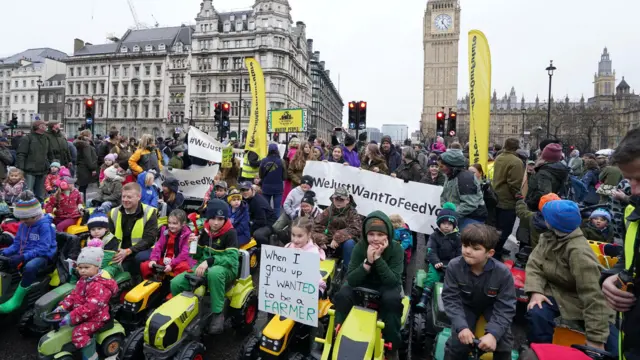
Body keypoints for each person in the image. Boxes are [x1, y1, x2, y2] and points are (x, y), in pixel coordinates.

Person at [525, 200, 617, 354]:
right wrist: (536, 292)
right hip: (554, 290)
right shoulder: (548, 237)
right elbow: (534, 265)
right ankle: (539, 352)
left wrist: (596, 339)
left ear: (553, 223)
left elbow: (593, 295)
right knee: (537, 313)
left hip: (578, 298)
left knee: (613, 347)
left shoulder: (578, 252)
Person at [333, 211, 404, 359]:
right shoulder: (360, 247)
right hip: (362, 282)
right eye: (371, 234)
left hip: (386, 285)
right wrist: (367, 263)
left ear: (388, 235)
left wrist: (378, 259)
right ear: (366, 235)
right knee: (342, 294)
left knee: (392, 301)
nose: (375, 239)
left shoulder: (397, 249)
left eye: (380, 234)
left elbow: (392, 281)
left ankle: (391, 343)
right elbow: (351, 279)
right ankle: (338, 330)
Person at [442, 223, 515, 360]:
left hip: (491, 307)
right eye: (465, 245)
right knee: (458, 344)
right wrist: (462, 327)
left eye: (475, 248)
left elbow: (505, 306)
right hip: (466, 305)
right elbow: (451, 298)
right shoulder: (454, 266)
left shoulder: (503, 273)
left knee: (504, 344)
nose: (468, 251)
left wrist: (493, 334)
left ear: (490, 253)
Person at [170, 199, 238, 334]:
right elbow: (196, 256)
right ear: (208, 217)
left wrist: (210, 261)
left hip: (226, 270)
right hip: (205, 267)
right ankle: (183, 312)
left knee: (214, 273)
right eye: (212, 218)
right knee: (175, 283)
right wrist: (192, 246)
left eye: (220, 218)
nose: (216, 222)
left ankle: (218, 313)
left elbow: (232, 259)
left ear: (225, 219)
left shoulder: (230, 233)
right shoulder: (204, 231)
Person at [601, 129, 640, 360]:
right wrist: (612, 278)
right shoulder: (633, 213)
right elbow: (629, 262)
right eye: (630, 180)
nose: (634, 190)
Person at [55, 243, 118, 360]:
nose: (82, 271)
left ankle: (91, 355)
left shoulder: (99, 286)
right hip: (82, 313)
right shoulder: (83, 280)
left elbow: (91, 308)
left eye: (86, 267)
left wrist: (71, 316)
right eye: (80, 267)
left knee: (78, 333)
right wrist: (63, 307)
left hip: (96, 317)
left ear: (97, 267)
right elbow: (74, 296)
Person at [0, 191, 57, 313]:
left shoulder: (45, 226)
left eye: (26, 218)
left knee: (30, 266)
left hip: (43, 256)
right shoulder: (24, 225)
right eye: (21, 219)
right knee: (3, 255)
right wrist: (5, 253)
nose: (23, 221)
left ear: (36, 215)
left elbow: (43, 248)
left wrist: (23, 257)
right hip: (26, 252)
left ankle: (17, 298)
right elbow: (16, 244)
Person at [108, 182, 159, 278]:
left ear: (138, 197)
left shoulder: (149, 212)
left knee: (138, 258)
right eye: (123, 197)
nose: (125, 200)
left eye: (129, 197)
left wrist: (128, 251)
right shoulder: (114, 212)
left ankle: (137, 279)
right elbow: (109, 235)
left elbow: (149, 240)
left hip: (142, 250)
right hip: (120, 250)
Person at [417, 203, 461, 309]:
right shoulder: (434, 236)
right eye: (444, 223)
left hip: (451, 265)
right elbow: (431, 251)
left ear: (454, 226)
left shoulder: (457, 238)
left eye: (450, 224)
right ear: (439, 223)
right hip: (437, 263)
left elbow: (460, 253)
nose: (446, 226)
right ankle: (424, 298)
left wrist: (454, 264)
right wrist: (436, 262)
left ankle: (451, 304)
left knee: (455, 282)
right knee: (432, 277)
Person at [313, 187, 361, 271]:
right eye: (336, 199)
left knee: (349, 244)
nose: (338, 201)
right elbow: (316, 226)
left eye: (341, 199)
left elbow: (356, 229)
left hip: (342, 245)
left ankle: (347, 273)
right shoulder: (328, 210)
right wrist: (321, 240)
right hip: (327, 243)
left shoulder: (352, 213)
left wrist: (337, 238)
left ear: (347, 200)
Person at [492, 138, 525, 257]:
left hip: (496, 196)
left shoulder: (499, 157)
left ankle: (496, 248)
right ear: (516, 147)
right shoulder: (516, 162)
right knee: (505, 229)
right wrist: (519, 197)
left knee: (497, 227)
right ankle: (497, 251)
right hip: (507, 200)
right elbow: (514, 184)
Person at [439, 149, 488, 229]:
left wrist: (450, 214)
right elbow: (444, 195)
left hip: (472, 217)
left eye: (441, 166)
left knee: (465, 240)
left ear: (450, 165)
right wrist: (445, 208)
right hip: (459, 215)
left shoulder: (465, 178)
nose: (439, 169)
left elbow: (470, 204)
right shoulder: (450, 175)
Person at [141, 209, 195, 279]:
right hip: (165, 258)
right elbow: (158, 246)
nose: (171, 226)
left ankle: (173, 287)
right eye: (169, 223)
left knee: (183, 268)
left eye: (174, 223)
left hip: (179, 261)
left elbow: (184, 254)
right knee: (145, 266)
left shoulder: (188, 235)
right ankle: (152, 284)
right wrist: (154, 259)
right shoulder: (165, 232)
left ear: (183, 224)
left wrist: (171, 264)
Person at [525, 142, 569, 211]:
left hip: (538, 208)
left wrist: (530, 202)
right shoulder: (560, 169)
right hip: (553, 206)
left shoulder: (544, 172)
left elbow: (545, 194)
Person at [286, 217, 326, 293]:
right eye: (293, 235)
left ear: (308, 235)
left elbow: (308, 274)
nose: (295, 239)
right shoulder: (288, 246)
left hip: (310, 286)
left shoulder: (313, 252)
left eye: (300, 236)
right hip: (290, 284)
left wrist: (299, 256)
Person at [16, 120, 53, 200]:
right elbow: (21, 153)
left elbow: (50, 153)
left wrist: (51, 164)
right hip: (30, 170)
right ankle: (27, 209)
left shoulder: (46, 138)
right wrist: (20, 168)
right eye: (43, 125)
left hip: (43, 169)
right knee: (28, 193)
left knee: (40, 194)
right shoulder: (28, 138)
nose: (45, 127)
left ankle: (39, 209)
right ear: (39, 127)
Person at [84, 210, 124, 279]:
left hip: (110, 264)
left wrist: (92, 268)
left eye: (99, 228)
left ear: (106, 228)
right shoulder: (88, 239)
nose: (96, 231)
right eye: (93, 229)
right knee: (77, 271)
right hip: (92, 265)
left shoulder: (111, 239)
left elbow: (107, 258)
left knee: (102, 275)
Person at [239, 181, 277, 245]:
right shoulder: (244, 199)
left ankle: (265, 251)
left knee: (257, 234)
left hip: (269, 223)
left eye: (247, 190)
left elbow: (262, 221)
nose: (245, 192)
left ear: (252, 190)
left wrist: (248, 224)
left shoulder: (257, 202)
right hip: (256, 220)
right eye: (243, 190)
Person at [259, 143, 286, 217]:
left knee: (266, 206)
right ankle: (276, 224)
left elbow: (260, 175)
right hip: (278, 188)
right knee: (277, 208)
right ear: (277, 150)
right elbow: (284, 176)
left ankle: (267, 221)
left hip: (266, 187)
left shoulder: (264, 161)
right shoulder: (281, 161)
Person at [74, 130, 98, 203]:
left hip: (81, 167)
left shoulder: (80, 144)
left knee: (82, 187)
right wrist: (93, 168)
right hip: (85, 168)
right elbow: (88, 158)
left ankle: (79, 201)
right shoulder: (85, 145)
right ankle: (80, 202)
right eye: (91, 135)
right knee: (83, 187)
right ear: (88, 136)